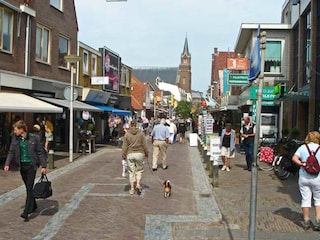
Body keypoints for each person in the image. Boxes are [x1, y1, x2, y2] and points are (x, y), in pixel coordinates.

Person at [4, 120, 47, 222]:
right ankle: (34, 205)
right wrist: (7, 164)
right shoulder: (15, 139)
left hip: (31, 166)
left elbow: (40, 152)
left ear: (21, 129)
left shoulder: (34, 138)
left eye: (15, 130)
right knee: (28, 187)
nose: (14, 132)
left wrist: (43, 166)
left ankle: (26, 212)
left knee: (29, 187)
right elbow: (11, 152)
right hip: (22, 166)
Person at [292, 131, 320, 230]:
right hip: (317, 178)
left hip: (304, 177)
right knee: (318, 199)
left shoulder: (303, 148)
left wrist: (302, 164)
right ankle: (318, 221)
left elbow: (294, 158)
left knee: (305, 199)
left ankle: (306, 221)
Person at [122, 121, 149, 195]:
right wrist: (147, 153)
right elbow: (145, 145)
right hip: (140, 153)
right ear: (136, 125)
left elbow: (124, 146)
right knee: (139, 170)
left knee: (131, 171)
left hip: (130, 154)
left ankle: (132, 189)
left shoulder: (127, 134)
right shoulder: (141, 133)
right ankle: (137, 184)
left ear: (130, 125)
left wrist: (123, 156)